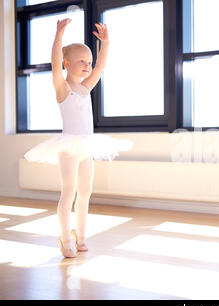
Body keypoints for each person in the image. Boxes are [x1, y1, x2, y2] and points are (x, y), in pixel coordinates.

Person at [24, 18, 133, 258]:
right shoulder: (63, 88)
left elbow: (101, 67)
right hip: (68, 148)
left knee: (86, 192)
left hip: (87, 147)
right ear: (67, 64)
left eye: (89, 62)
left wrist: (106, 43)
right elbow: (54, 65)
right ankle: (65, 239)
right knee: (69, 191)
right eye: (82, 61)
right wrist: (58, 35)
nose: (87, 65)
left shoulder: (86, 87)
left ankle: (81, 236)